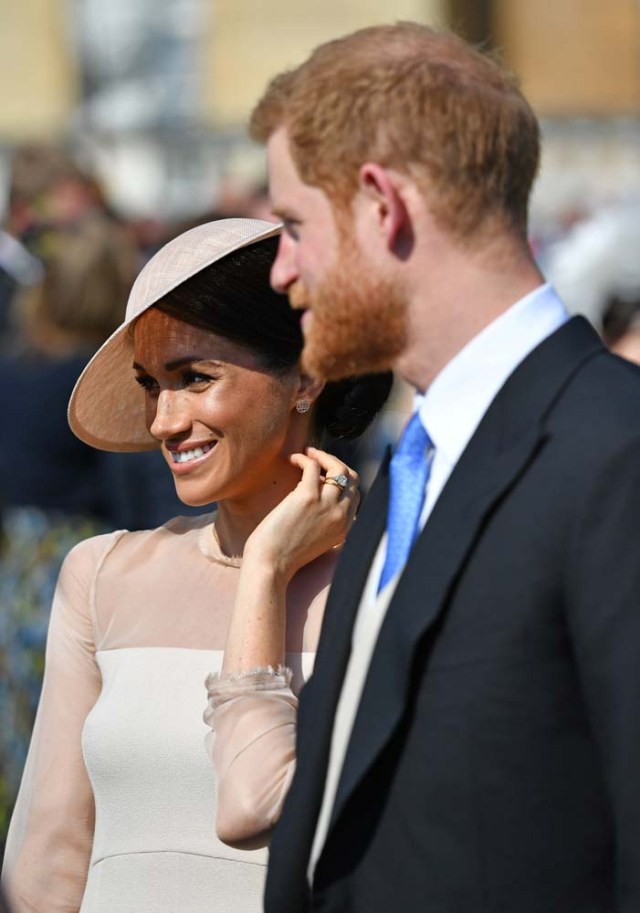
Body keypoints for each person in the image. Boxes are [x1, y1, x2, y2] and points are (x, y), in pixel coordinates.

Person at [250, 22, 640, 913]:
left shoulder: (616, 454)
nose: (280, 269)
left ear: (382, 205)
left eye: (292, 225)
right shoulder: (417, 465)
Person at [1, 217, 392, 913]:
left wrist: (267, 565)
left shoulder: (390, 586)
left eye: (195, 378)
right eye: (153, 384)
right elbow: (47, 867)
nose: (163, 420)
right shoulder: (102, 576)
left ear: (305, 376)